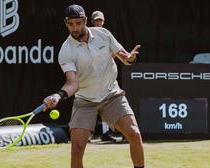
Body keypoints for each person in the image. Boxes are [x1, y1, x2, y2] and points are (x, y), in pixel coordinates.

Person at [43, 4, 145, 168]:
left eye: (78, 23)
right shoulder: (66, 50)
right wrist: (58, 95)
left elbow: (125, 58)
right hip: (85, 101)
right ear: (66, 24)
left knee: (134, 133)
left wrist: (131, 58)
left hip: (112, 95)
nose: (75, 28)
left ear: (84, 21)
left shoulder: (104, 34)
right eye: (71, 24)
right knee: (76, 149)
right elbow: (73, 83)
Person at [90, 10, 122, 142]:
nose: (98, 22)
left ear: (103, 21)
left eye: (100, 20)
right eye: (96, 20)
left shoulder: (107, 35)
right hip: (89, 78)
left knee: (106, 106)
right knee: (90, 106)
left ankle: (105, 133)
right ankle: (87, 134)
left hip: (105, 79)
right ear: (92, 22)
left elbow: (115, 53)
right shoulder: (86, 35)